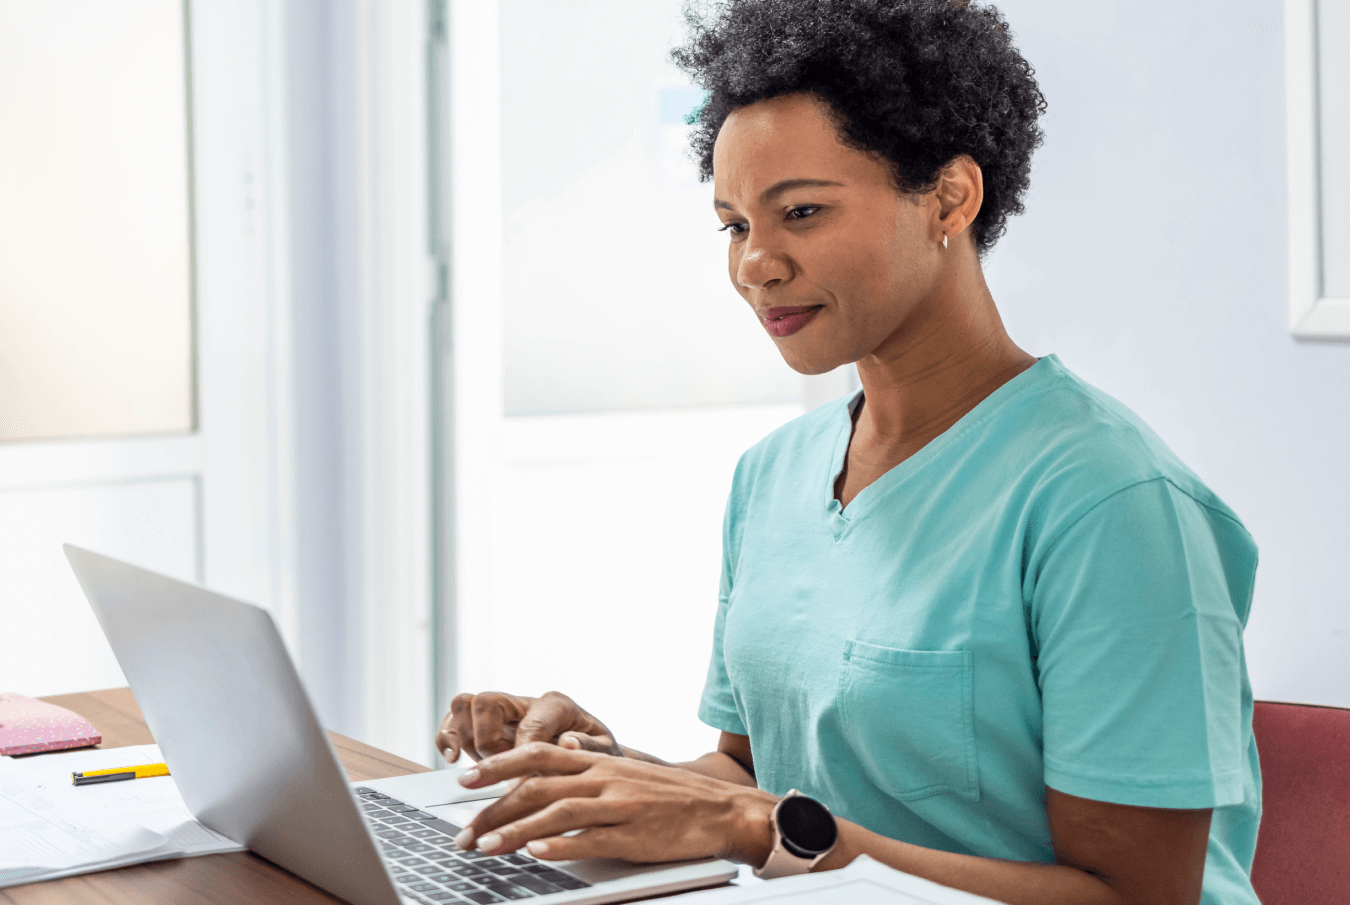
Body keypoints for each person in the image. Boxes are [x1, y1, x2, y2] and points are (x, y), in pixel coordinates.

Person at [435, 2, 1261, 903]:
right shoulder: (774, 476)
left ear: (949, 198)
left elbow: (1137, 897)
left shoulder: (1111, 502)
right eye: (735, 225)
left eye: (801, 212)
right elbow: (755, 786)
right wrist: (601, 770)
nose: (756, 263)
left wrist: (752, 826)